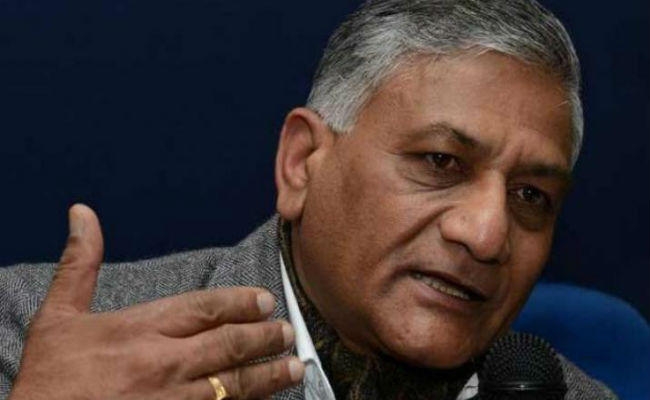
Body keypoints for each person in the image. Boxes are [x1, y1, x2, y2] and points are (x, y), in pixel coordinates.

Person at [0, 0, 618, 399]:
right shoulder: (32, 343)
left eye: (531, 195)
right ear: (301, 164)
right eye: (440, 162)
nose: (487, 234)